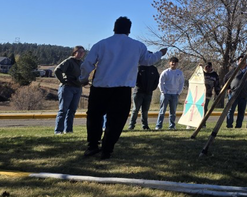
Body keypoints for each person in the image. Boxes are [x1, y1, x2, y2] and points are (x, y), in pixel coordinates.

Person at [78, 16, 167, 160]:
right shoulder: (138, 46)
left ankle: (92, 146)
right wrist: (160, 53)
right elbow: (147, 60)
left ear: (114, 28)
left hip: (100, 86)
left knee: (94, 117)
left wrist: (83, 79)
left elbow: (87, 64)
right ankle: (107, 149)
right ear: (129, 30)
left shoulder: (101, 44)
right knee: (116, 120)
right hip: (122, 89)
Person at [53, 46, 86, 134]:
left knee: (72, 110)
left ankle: (68, 130)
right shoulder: (69, 61)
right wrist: (63, 81)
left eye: (83, 52)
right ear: (75, 52)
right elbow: (57, 70)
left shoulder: (82, 63)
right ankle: (58, 130)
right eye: (79, 52)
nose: (81, 54)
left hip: (77, 88)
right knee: (63, 109)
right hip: (67, 88)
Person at [128, 56, 160, 131]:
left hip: (148, 93)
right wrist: (140, 87)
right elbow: (134, 79)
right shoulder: (139, 68)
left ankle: (145, 126)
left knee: (145, 110)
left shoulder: (154, 69)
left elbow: (156, 80)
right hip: (138, 92)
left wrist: (151, 89)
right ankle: (131, 125)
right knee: (135, 109)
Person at [155, 57, 184, 130]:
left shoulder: (180, 73)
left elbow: (181, 83)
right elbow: (160, 82)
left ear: (177, 63)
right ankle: (158, 126)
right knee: (162, 111)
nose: (173, 63)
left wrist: (178, 92)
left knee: (173, 111)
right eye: (172, 62)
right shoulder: (165, 72)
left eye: (175, 62)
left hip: (175, 94)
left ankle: (172, 126)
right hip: (165, 94)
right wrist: (163, 91)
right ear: (169, 63)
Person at [227, 63, 247, 129]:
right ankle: (229, 125)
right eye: (240, 60)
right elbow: (226, 78)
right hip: (234, 93)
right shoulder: (234, 70)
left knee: (241, 111)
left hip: (244, 94)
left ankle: (238, 126)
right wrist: (228, 88)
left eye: (243, 61)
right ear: (238, 62)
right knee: (231, 110)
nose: (242, 62)